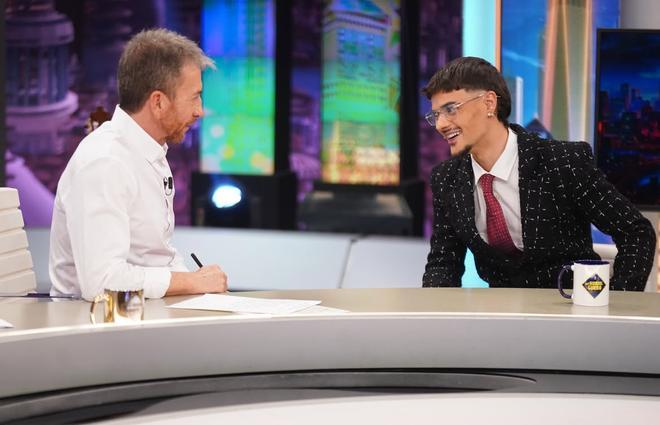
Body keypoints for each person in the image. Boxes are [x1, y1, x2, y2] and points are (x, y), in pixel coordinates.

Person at [421, 56, 656, 291]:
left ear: (489, 103)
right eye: (436, 115)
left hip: (570, 304)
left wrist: (616, 300)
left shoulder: (563, 162)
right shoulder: (447, 179)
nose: (441, 125)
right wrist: (434, 310)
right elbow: (443, 263)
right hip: (499, 310)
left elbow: (636, 233)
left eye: (450, 109)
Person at [49, 29, 228, 301]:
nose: (199, 110)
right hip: (90, 321)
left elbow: (159, 258)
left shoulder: (150, 153)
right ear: (158, 102)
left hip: (142, 315)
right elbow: (103, 284)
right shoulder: (104, 162)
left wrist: (201, 288)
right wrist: (191, 282)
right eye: (194, 97)